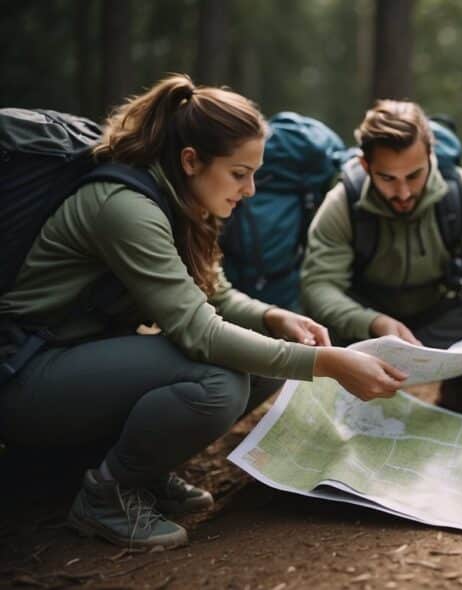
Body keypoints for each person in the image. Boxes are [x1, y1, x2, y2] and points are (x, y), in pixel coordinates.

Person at [0, 75, 408, 549]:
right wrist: (328, 364)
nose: (251, 189)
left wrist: (276, 317)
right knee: (219, 382)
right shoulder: (124, 207)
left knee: (270, 359)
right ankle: (107, 495)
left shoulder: (178, 196)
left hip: (75, 359)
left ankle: (144, 472)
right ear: (191, 160)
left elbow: (216, 296)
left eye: (254, 173)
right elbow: (199, 333)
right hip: (24, 374)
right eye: (240, 173)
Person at [301, 100, 462, 410]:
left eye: (414, 175)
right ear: (366, 166)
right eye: (388, 179)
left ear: (430, 156)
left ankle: (459, 397)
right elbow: (318, 286)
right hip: (367, 324)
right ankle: (353, 406)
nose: (404, 193)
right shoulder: (342, 203)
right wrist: (373, 323)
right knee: (318, 344)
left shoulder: (461, 192)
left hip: (438, 312)